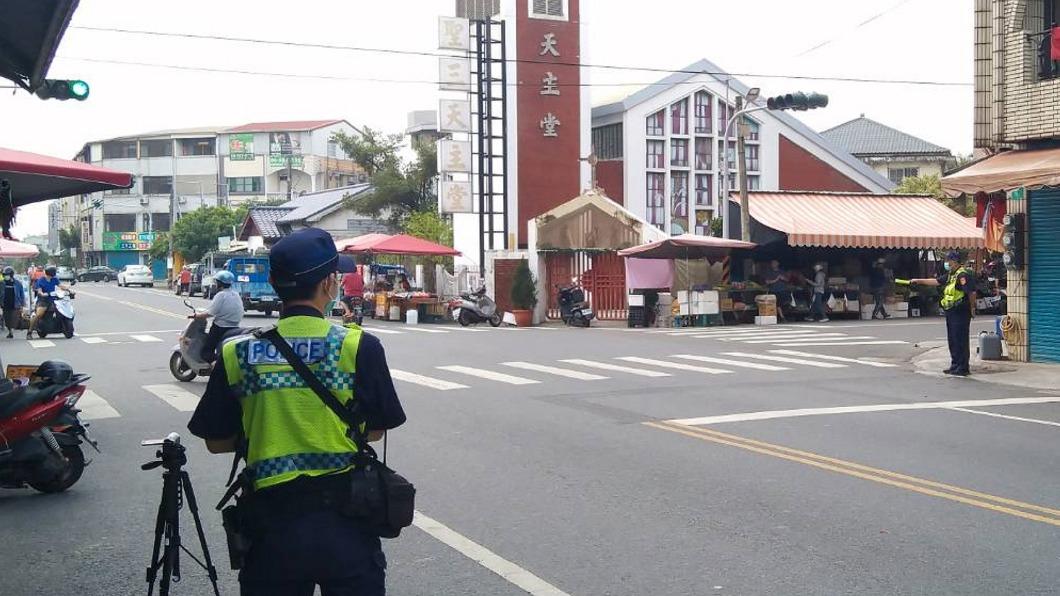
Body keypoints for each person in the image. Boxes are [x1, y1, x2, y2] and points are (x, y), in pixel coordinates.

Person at [188, 227, 406, 595]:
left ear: (274, 284)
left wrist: (266, 427)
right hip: (347, 523)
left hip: (271, 526)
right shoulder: (359, 346)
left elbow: (216, 442)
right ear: (329, 284)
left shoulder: (235, 352)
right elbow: (375, 431)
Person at [911, 251, 976, 376]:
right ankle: (955, 364)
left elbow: (972, 293)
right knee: (952, 339)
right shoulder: (951, 275)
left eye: (949, 261)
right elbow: (936, 281)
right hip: (951, 311)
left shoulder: (963, 275)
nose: (947, 263)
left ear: (955, 261)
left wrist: (972, 308)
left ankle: (963, 367)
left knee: (960, 339)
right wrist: (918, 281)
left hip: (961, 311)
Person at [193, 270, 244, 363]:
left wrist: (197, 316)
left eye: (216, 282)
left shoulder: (221, 295)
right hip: (235, 327)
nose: (215, 284)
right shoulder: (236, 294)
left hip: (220, 327)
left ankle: (216, 362)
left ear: (220, 284)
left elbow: (211, 313)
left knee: (206, 351)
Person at [26, 266, 69, 339]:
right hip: (43, 300)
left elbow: (61, 286)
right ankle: (29, 332)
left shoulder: (54, 279)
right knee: (39, 314)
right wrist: (42, 294)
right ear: (50, 273)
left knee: (61, 311)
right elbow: (39, 290)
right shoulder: (41, 280)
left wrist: (68, 289)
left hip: (53, 300)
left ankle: (65, 328)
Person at [2, 266, 25, 338]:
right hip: (5, 303)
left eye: (7, 275)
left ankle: (11, 329)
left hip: (15, 303)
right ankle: (10, 331)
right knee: (7, 318)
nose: (6, 277)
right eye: (5, 275)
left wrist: (22, 304)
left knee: (13, 318)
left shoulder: (18, 283)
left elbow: (21, 294)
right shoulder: (1, 283)